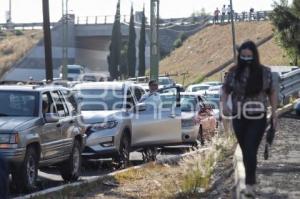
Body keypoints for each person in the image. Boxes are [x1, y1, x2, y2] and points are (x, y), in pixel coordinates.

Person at [221, 40, 278, 198]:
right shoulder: (233, 72)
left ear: (254, 56)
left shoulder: (264, 72)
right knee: (246, 150)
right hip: (239, 117)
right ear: (240, 56)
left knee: (251, 148)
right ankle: (250, 180)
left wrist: (274, 114)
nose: (246, 58)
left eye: (249, 56)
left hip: (257, 117)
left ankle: (250, 184)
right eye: (243, 56)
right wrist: (224, 103)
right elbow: (226, 89)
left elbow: (272, 92)